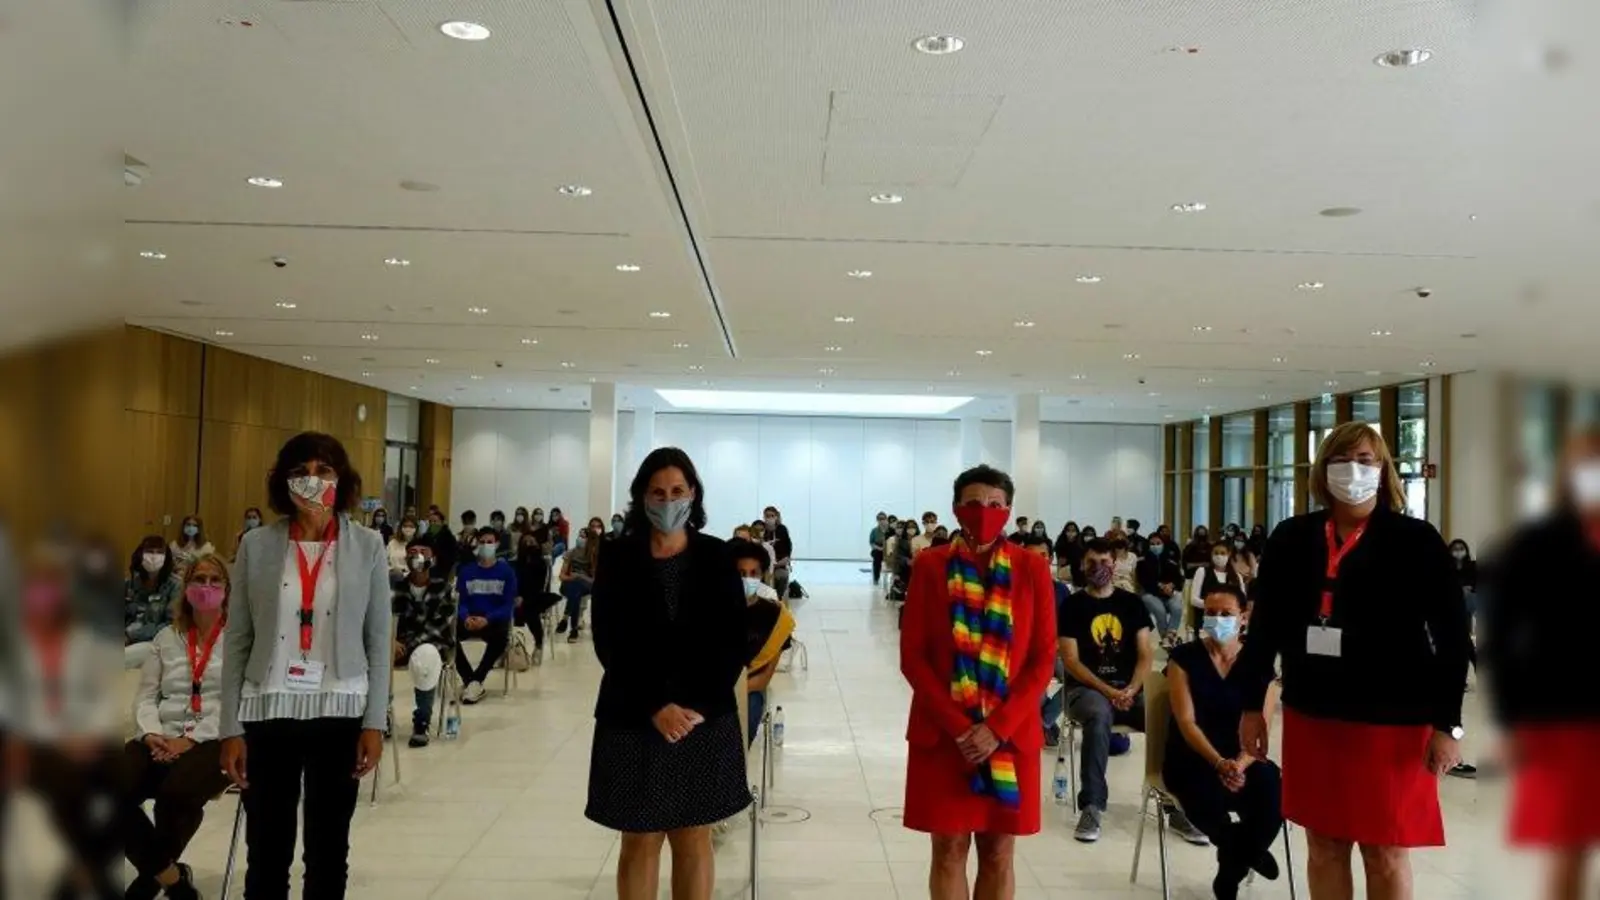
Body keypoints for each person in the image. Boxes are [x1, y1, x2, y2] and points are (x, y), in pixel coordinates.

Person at [1238, 421, 1468, 900]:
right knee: (1323, 845)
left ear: (1383, 471)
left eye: (1366, 460)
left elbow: (1451, 637)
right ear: (1323, 471)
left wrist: (1449, 725)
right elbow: (1264, 631)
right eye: (1343, 460)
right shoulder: (1291, 538)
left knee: (1384, 850)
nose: (1354, 470)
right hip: (1313, 715)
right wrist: (1250, 705)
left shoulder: (1417, 540)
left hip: (1393, 723)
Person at [219, 431, 392, 900]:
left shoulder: (368, 545)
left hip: (340, 710)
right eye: (301, 472)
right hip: (267, 709)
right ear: (284, 482)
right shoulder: (257, 545)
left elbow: (378, 639)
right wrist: (230, 727)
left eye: (324, 471)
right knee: (267, 855)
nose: (312, 481)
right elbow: (237, 639)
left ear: (342, 480)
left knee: (329, 852)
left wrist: (375, 720)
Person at [587, 447, 749, 900]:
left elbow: (731, 640)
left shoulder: (716, 557)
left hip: (702, 717)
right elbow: (610, 641)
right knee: (639, 837)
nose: (668, 500)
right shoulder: (619, 557)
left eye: (677, 490)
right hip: (634, 715)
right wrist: (656, 706)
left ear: (693, 494)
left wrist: (693, 705)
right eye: (657, 492)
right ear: (642, 498)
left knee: (693, 835)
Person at [899, 464, 1057, 900]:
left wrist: (995, 729)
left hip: (1009, 734)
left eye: (993, 504)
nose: (982, 512)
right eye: (972, 503)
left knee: (998, 851)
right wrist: (962, 728)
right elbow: (913, 658)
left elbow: (1043, 659)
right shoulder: (930, 567)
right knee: (947, 849)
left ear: (1007, 511)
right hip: (945, 734)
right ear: (956, 508)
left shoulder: (1031, 569)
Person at [1480, 428, 1600, 900]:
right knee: (1568, 846)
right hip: (1563, 715)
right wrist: (1510, 720)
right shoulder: (1538, 543)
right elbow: (1503, 635)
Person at [1059, 539, 1207, 845]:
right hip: (1086, 690)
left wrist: (1132, 688)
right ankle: (1092, 805)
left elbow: (1145, 654)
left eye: (1104, 562)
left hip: (1128, 687)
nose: (1098, 569)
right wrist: (1108, 691)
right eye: (1091, 563)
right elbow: (1071, 661)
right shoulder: (1073, 605)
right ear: (1082, 566)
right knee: (1099, 716)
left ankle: (1173, 803)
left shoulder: (1131, 604)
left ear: (1116, 564)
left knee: (1168, 718)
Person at [122, 554, 234, 900]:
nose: (207, 587)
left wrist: (191, 741)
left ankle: (148, 882)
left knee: (176, 796)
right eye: (199, 579)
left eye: (215, 580)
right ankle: (173, 881)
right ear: (186, 589)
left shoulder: (239, 639)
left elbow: (240, 701)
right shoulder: (166, 638)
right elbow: (146, 696)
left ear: (227, 591)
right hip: (161, 734)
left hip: (215, 738)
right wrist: (153, 733)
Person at [1164, 583, 1283, 900]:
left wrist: (1239, 765)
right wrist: (1219, 763)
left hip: (1243, 754)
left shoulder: (1258, 664)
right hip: (1195, 754)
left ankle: (1231, 868)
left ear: (1243, 618)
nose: (1217, 619)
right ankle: (1246, 851)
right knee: (1201, 792)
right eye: (1211, 613)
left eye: (1226, 614)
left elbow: (1262, 726)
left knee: (1271, 787)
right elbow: (1186, 722)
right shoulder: (1183, 658)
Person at [392, 542, 454, 747]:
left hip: (433, 645)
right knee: (376, 655)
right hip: (399, 644)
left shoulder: (442, 587)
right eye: (412, 553)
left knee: (425, 656)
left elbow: (437, 627)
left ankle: (422, 720)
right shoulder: (395, 588)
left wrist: (406, 645)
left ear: (432, 558)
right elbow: (385, 619)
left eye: (423, 552)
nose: (417, 557)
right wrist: (390, 640)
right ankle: (381, 714)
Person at [733, 540, 794, 746]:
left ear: (762, 575)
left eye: (753, 573)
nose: (747, 579)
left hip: (749, 690)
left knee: (747, 712)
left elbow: (763, 679)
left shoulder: (776, 616)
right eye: (741, 573)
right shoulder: (712, 610)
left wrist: (731, 691)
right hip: (709, 689)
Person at [454, 527, 518, 702]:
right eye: (482, 542)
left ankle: (477, 679)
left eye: (489, 542)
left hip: (493, 620)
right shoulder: (466, 571)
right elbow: (460, 601)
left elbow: (508, 605)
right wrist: (465, 617)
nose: (485, 545)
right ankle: (470, 680)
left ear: (497, 544)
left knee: (500, 637)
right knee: (446, 636)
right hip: (470, 619)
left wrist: (487, 619)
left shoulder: (507, 572)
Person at [126, 535, 180, 646]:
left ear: (166, 557)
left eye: (159, 552)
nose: (154, 556)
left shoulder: (175, 586)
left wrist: (131, 636)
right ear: (140, 555)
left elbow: (170, 624)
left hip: (153, 641)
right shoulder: (131, 583)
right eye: (149, 551)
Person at [558, 518, 602, 642]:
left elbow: (594, 580)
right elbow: (561, 576)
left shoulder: (592, 555)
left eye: (584, 537)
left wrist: (579, 576)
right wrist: (572, 577)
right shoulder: (570, 553)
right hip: (570, 583)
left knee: (576, 588)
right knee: (575, 592)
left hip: (586, 584)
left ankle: (566, 620)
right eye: (580, 536)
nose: (581, 539)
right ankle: (573, 629)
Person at [1137, 533, 1186, 644]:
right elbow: (1144, 581)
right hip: (1150, 594)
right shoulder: (1142, 562)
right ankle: (1167, 639)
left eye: (1158, 543)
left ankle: (1169, 636)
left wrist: (1171, 585)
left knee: (1177, 608)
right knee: (1160, 611)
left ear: (1163, 544)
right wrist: (1161, 586)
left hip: (1169, 593)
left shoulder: (1170, 561)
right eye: (1152, 544)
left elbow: (1178, 579)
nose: (1155, 546)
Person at [1187, 542, 1248, 627]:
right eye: (1216, 553)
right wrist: (1215, 606)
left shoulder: (1237, 576)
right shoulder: (1202, 572)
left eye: (1223, 553)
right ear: (1211, 555)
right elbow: (1193, 600)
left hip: (1230, 623)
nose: (1219, 556)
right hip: (1207, 620)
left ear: (1229, 555)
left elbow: (1243, 602)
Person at [763, 506, 795, 597]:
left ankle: (778, 599)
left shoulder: (782, 530)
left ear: (777, 517)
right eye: (767, 516)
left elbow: (787, 553)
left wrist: (775, 565)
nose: (769, 518)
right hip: (764, 565)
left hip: (778, 565)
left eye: (772, 516)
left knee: (782, 576)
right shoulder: (762, 529)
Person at [423, 507, 459, 576]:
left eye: (435, 521)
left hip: (443, 569)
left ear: (442, 523)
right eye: (430, 522)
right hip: (427, 568)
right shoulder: (426, 536)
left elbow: (453, 557)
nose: (432, 524)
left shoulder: (449, 538)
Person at [386, 514, 419, 585]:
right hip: (393, 578)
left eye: (411, 526)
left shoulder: (420, 545)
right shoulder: (393, 543)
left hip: (412, 579)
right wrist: (391, 570)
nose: (408, 529)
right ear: (401, 527)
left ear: (416, 528)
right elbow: (385, 561)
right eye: (405, 526)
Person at [870, 512, 889, 584]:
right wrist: (880, 548)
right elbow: (872, 543)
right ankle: (876, 578)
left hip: (889, 549)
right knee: (877, 557)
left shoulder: (890, 530)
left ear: (886, 519)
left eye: (883, 519)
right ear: (877, 520)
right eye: (879, 519)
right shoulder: (874, 531)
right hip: (878, 549)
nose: (881, 521)